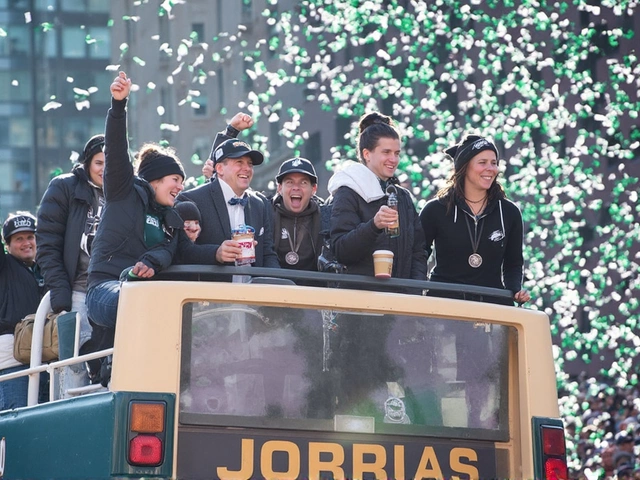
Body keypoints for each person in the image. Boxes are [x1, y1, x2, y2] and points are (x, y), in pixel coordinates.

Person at [86, 71, 185, 337]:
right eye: (175, 179)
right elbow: (116, 151)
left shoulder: (172, 220)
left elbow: (169, 252)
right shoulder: (123, 192)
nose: (180, 187)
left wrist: (150, 261)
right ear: (154, 180)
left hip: (147, 291)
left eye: (182, 181)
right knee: (137, 298)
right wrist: (119, 105)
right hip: (105, 290)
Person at [418, 133, 530, 305]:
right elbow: (418, 255)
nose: (490, 169)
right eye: (482, 162)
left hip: (492, 306)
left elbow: (513, 263)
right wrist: (416, 290)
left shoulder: (509, 212)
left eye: (494, 163)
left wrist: (515, 290)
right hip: (443, 306)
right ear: (464, 167)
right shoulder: (436, 209)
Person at [36, 134, 105, 391]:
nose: (105, 169)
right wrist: (60, 291)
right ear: (87, 163)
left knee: (109, 367)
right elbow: (47, 242)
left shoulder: (124, 192)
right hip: (77, 291)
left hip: (111, 293)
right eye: (99, 162)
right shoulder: (64, 186)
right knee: (74, 369)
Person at [327, 111, 427, 279]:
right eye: (386, 152)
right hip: (362, 298)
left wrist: (415, 291)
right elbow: (341, 250)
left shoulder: (403, 197)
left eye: (397, 153)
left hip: (402, 298)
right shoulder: (348, 191)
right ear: (367, 154)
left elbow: (418, 251)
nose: (393, 159)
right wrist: (373, 226)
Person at [177, 113, 279, 268]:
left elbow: (268, 253)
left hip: (253, 290)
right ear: (219, 168)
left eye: (250, 164)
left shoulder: (260, 204)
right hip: (211, 291)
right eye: (239, 162)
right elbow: (181, 251)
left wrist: (276, 285)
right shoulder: (191, 200)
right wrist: (216, 253)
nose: (247, 168)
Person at [0, 212, 45, 409]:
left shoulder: (44, 268)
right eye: (19, 239)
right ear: (7, 246)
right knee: (16, 425)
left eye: (30, 237)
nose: (26, 243)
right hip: (12, 362)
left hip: (43, 358)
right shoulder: (5, 266)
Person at [272, 157, 324, 271]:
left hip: (315, 286)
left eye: (303, 182)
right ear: (280, 188)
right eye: (290, 182)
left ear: (314, 189)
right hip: (275, 285)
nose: (296, 188)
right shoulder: (267, 213)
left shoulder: (325, 216)